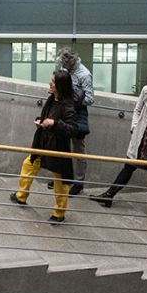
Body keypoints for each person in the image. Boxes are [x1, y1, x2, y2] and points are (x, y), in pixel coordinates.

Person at [94, 67, 147, 211]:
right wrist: (134, 127)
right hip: (142, 137)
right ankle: (109, 194)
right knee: (129, 166)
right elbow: (137, 109)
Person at [11, 70, 78, 224]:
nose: (50, 83)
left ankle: (59, 213)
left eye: (53, 82)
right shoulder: (51, 99)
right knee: (28, 164)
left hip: (57, 148)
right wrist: (41, 121)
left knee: (60, 181)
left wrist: (54, 123)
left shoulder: (67, 105)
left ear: (60, 86)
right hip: (43, 142)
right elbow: (48, 118)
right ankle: (21, 196)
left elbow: (72, 129)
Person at [56, 47, 94, 195]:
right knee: (62, 145)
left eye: (64, 64)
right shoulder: (66, 69)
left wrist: (74, 98)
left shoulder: (84, 75)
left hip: (77, 113)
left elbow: (90, 99)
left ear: (70, 61)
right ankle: (63, 177)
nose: (62, 67)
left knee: (78, 149)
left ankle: (79, 182)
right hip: (64, 110)